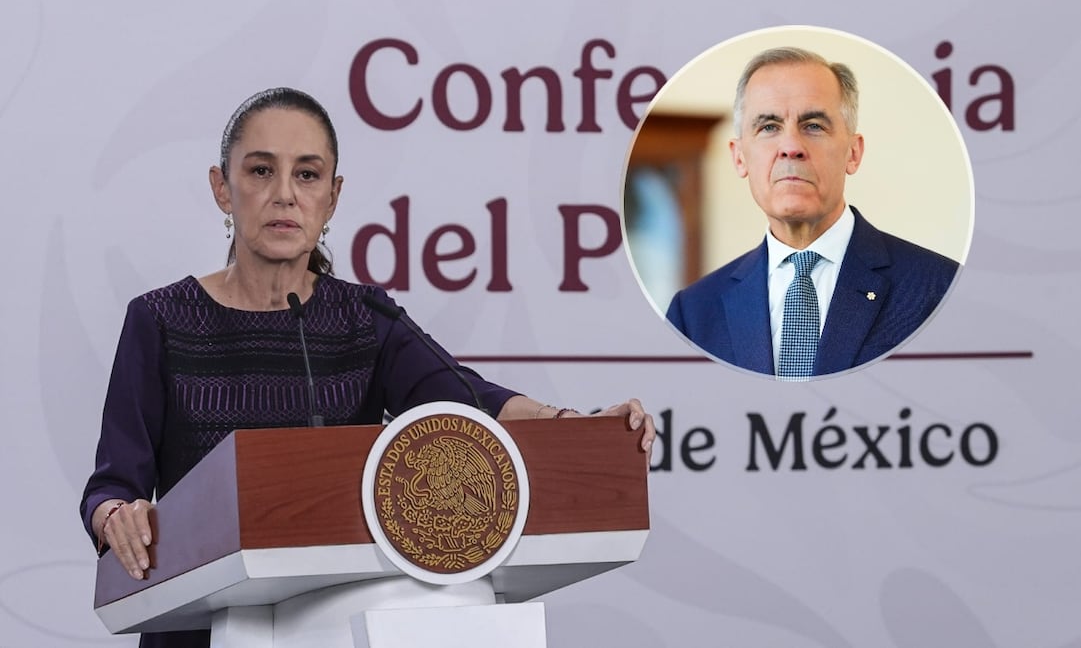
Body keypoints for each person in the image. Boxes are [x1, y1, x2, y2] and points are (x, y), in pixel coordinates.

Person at [80, 87, 656, 648]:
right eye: (260, 171)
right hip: (199, 629)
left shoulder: (364, 317)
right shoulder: (160, 320)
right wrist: (117, 517)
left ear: (332, 198)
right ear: (221, 188)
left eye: (307, 175)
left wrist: (575, 425)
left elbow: (469, 400)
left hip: (334, 626)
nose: (285, 195)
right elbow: (111, 486)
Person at [666, 47, 959, 379]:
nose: (791, 147)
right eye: (769, 127)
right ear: (739, 157)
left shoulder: (940, 290)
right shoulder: (692, 314)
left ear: (853, 153)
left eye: (814, 126)